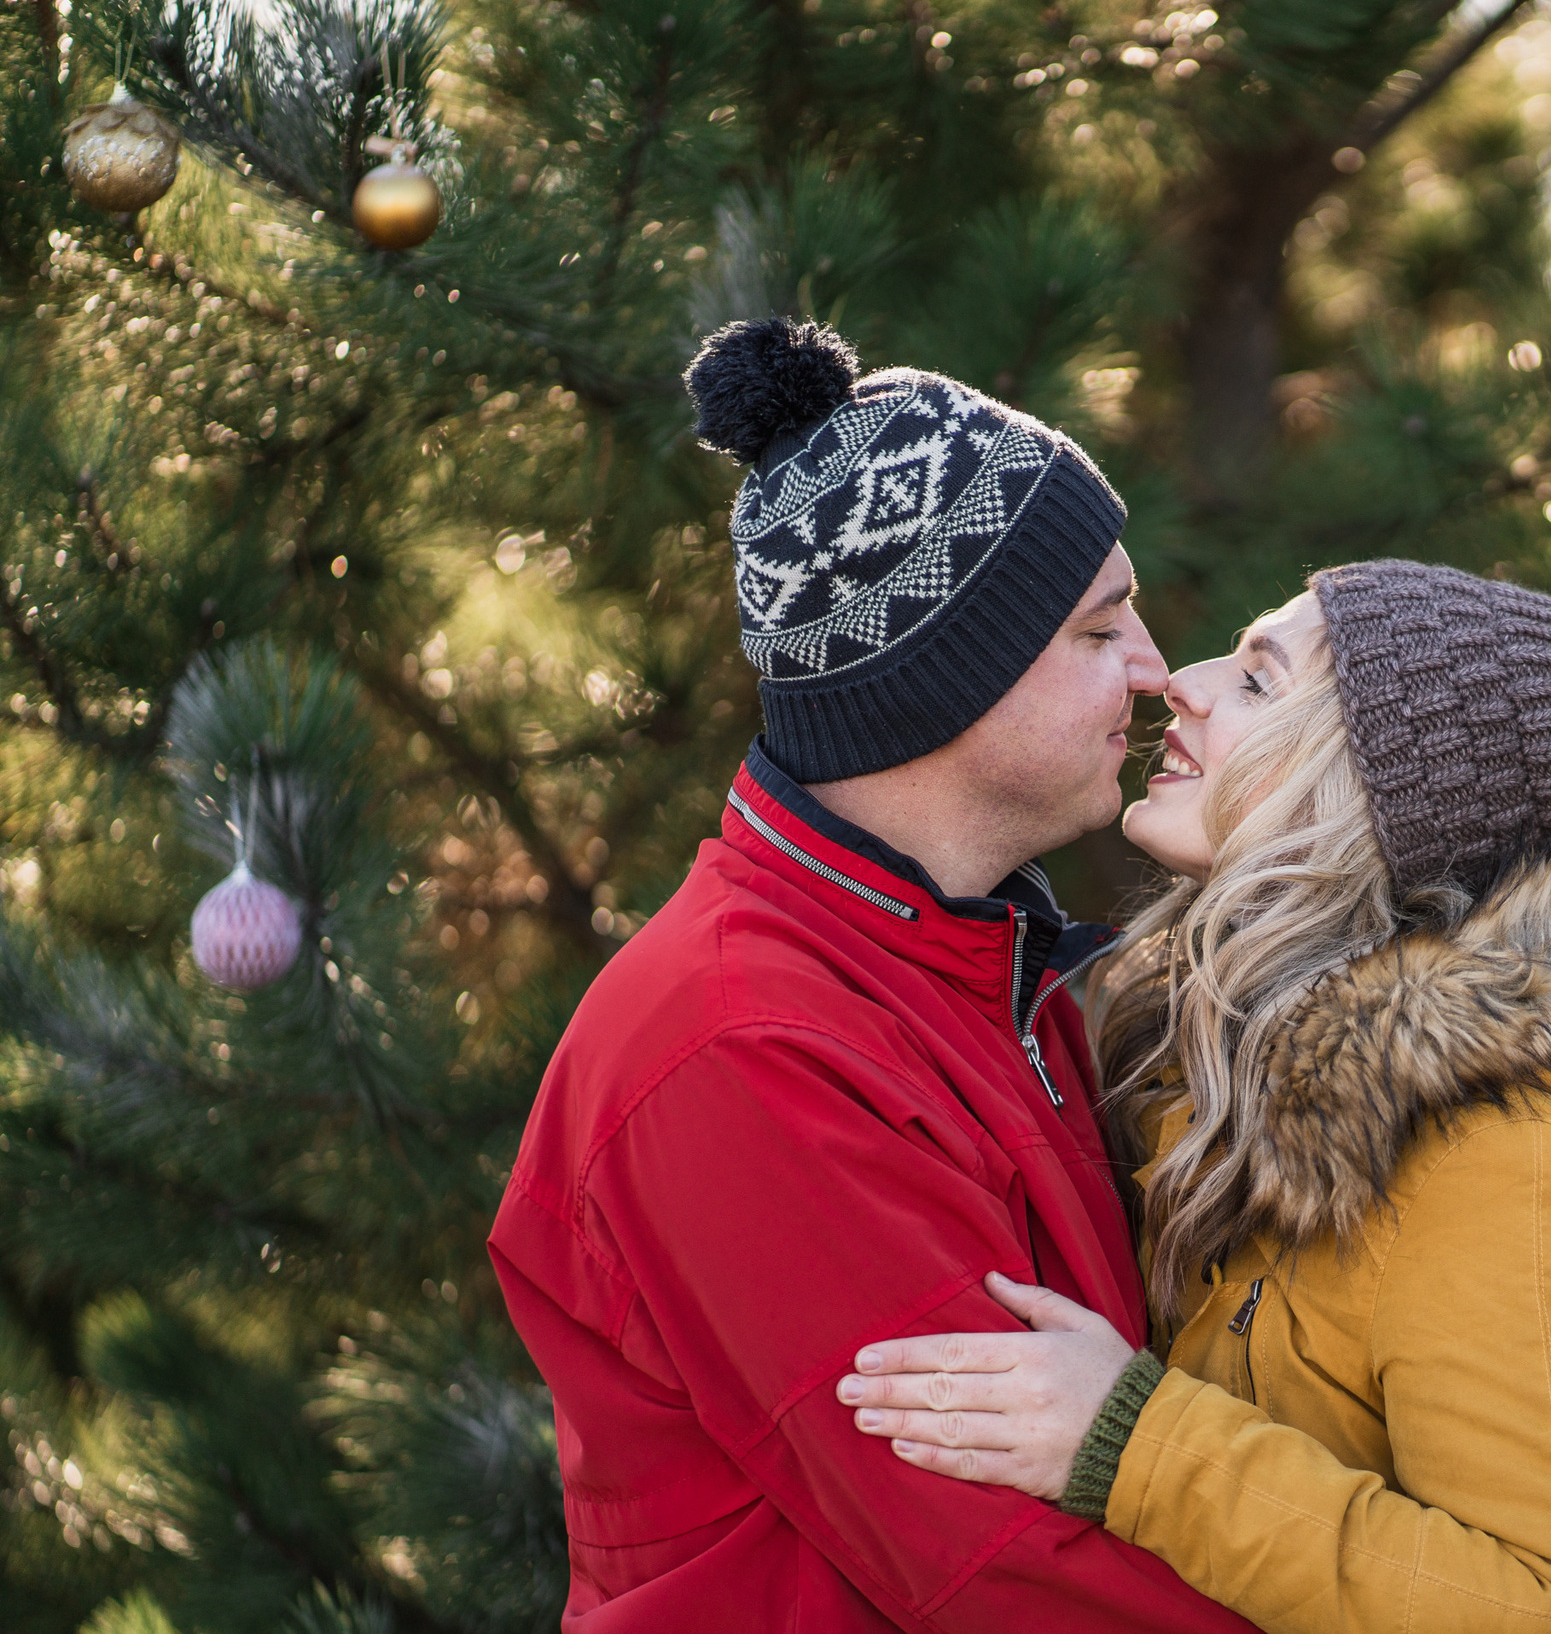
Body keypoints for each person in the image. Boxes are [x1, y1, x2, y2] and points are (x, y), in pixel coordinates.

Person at [842, 560, 1551, 1634]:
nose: (1178, 684)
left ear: (1379, 801)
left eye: (1255, 682)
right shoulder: (1209, 1093)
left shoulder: (1519, 1183)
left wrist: (1138, 1444)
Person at [487, 318, 1253, 1631]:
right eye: (1098, 627)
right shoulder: (739, 1050)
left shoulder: (972, 957)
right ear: (945, 681)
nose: (1153, 669)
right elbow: (1011, 1570)